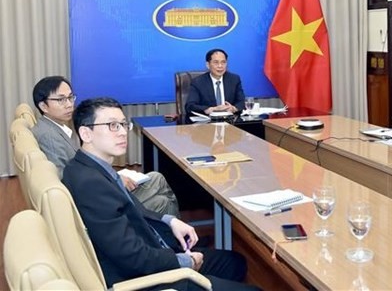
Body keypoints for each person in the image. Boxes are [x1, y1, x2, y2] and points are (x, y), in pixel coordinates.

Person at [62, 97, 258, 290]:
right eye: (112, 125)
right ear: (86, 133)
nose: (123, 132)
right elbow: (132, 257)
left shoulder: (93, 167)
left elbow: (134, 209)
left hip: (152, 247)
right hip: (144, 276)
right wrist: (183, 261)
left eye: (123, 124)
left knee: (235, 262)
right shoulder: (90, 183)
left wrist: (169, 220)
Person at [32, 76, 180, 217]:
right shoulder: (49, 136)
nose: (69, 104)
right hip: (97, 201)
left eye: (70, 97)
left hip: (98, 187)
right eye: (61, 100)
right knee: (163, 199)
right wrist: (113, 179)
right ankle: (173, 235)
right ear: (43, 105)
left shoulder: (54, 128)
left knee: (157, 178)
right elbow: (67, 180)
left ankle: (165, 230)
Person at [185, 48, 245, 122]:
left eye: (223, 62)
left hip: (230, 122)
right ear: (208, 64)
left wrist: (234, 108)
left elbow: (241, 102)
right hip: (207, 125)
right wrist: (210, 109)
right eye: (216, 62)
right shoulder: (198, 82)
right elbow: (190, 106)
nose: (220, 66)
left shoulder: (234, 79)